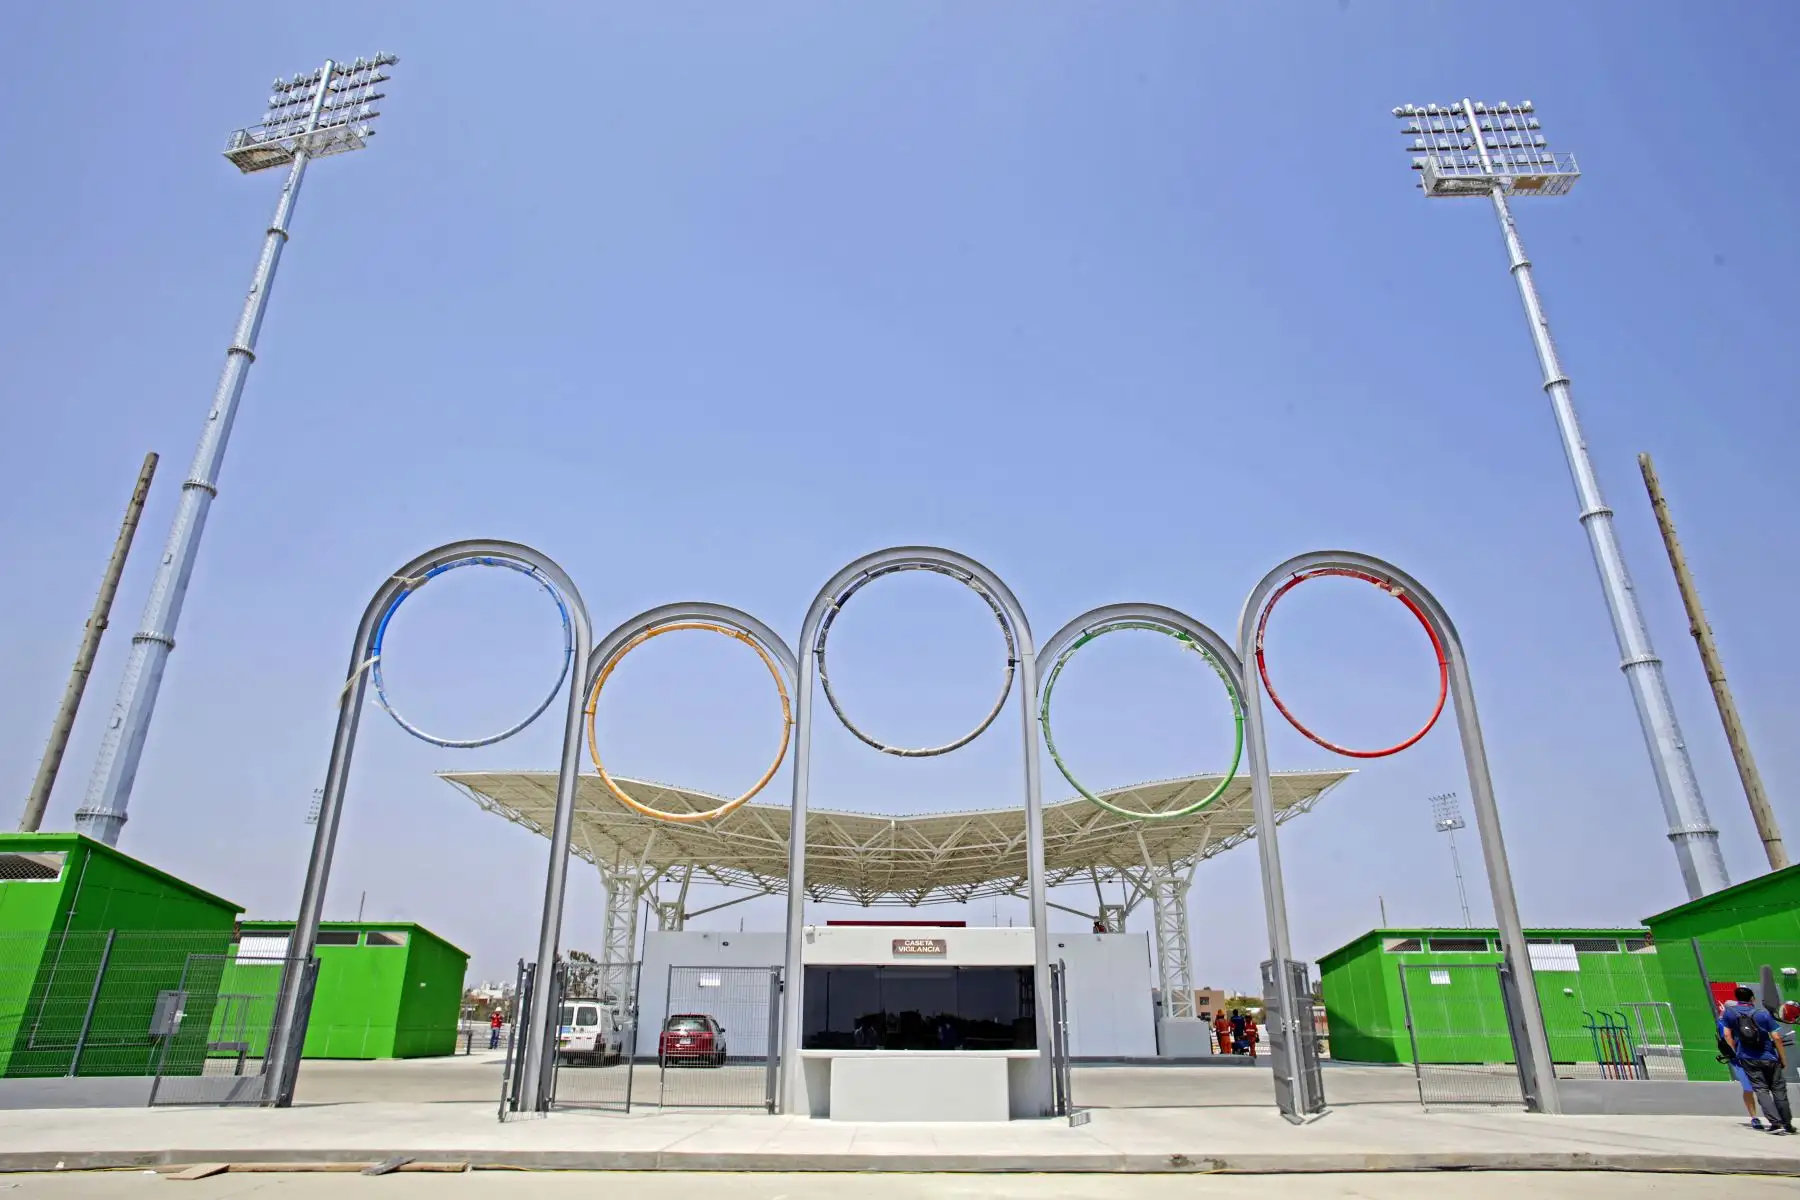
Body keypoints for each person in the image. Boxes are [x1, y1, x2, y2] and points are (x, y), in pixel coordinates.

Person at [1722, 985, 1794, 1134]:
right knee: (1778, 1090)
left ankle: (1775, 1123)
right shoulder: (1763, 1014)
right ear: (1752, 998)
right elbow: (1776, 1036)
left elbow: (1727, 1035)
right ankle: (1787, 1124)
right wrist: (1783, 1058)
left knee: (1761, 1090)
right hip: (1769, 1057)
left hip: (1747, 1058)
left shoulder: (1730, 1014)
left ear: (1737, 999)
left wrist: (1735, 1053)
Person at [1719, 1001, 1765, 1129]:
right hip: (1740, 1059)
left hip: (1753, 1056)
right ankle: (1754, 1117)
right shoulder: (1724, 1022)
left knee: (1758, 1087)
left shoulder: (1745, 1018)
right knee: (1749, 1088)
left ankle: (1767, 1114)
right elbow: (1727, 1038)